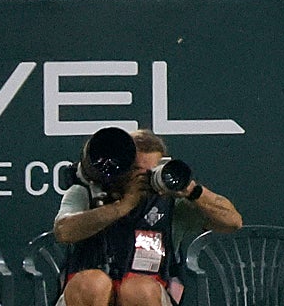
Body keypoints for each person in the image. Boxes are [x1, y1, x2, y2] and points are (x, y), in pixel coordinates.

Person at [55, 128, 242, 306]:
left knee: (138, 289)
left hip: (149, 291)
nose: (145, 178)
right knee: (92, 283)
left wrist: (193, 191)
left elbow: (233, 222)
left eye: (152, 172)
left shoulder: (172, 203)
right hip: (87, 291)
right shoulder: (87, 192)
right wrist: (123, 206)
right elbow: (63, 232)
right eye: (137, 170)